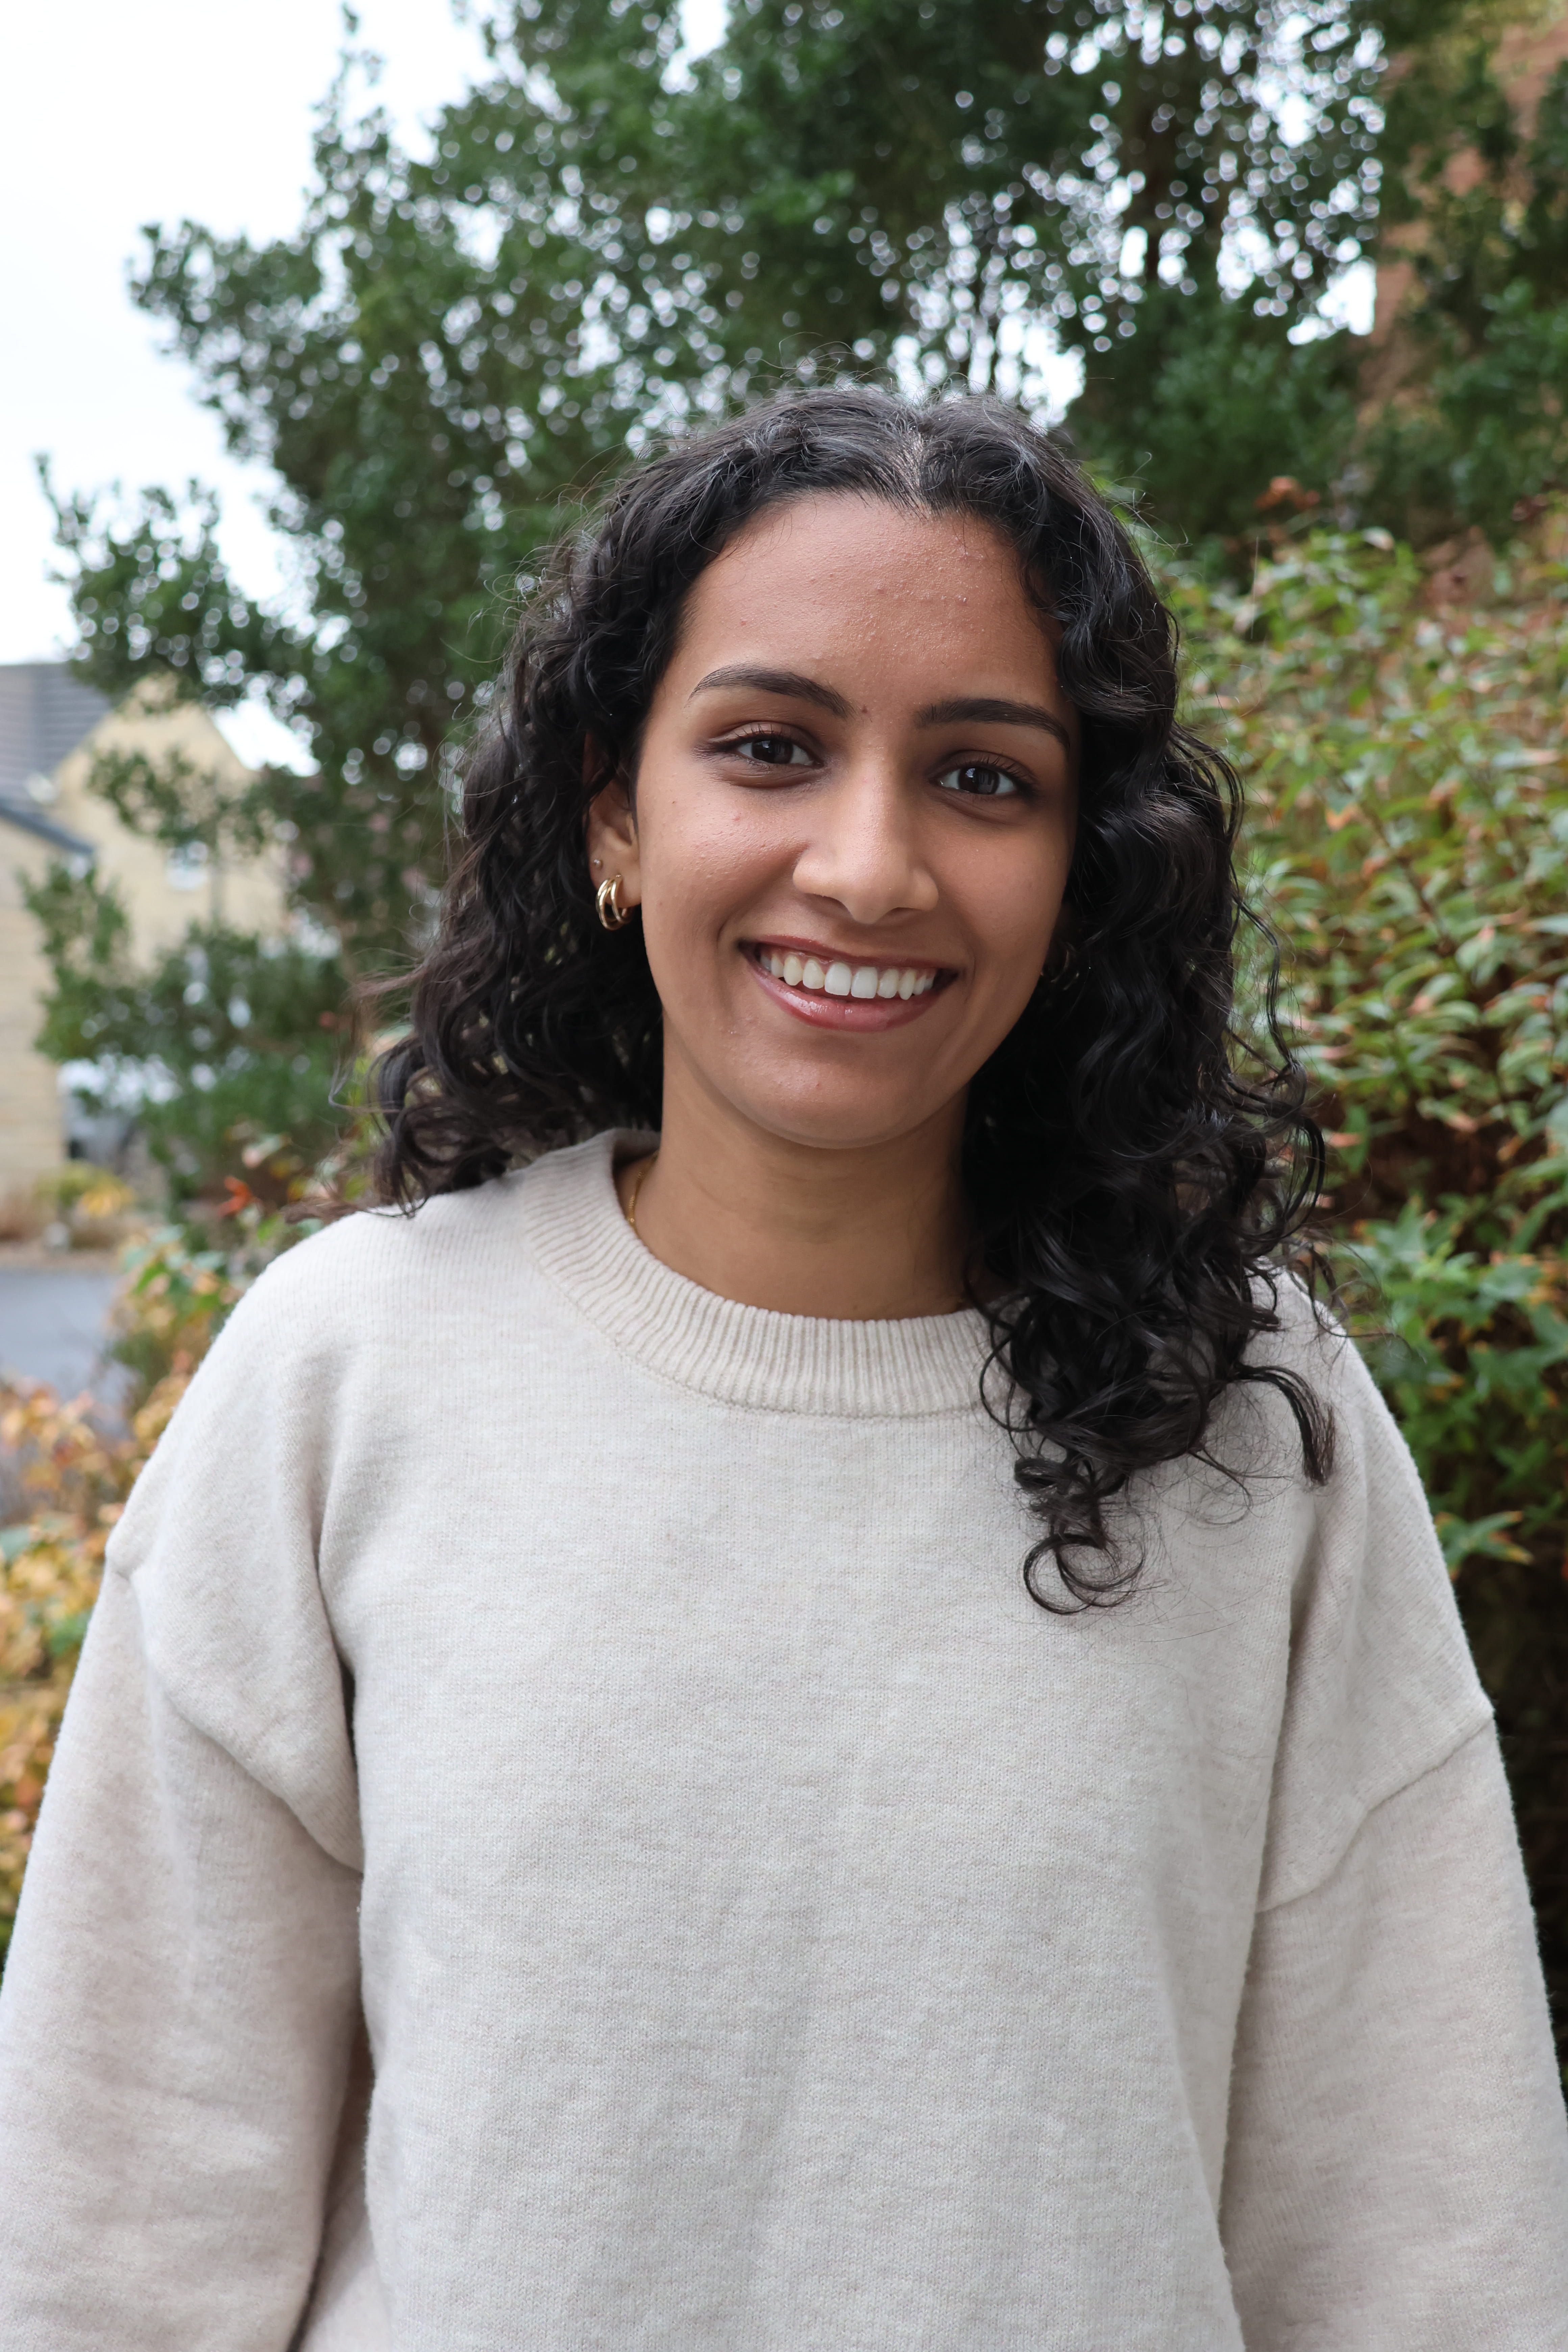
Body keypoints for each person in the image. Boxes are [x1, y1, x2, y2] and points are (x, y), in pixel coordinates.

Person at [0, 389, 1563, 2351]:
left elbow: (1426, 2235)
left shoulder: (1258, 1427)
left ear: (1085, 866)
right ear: (614, 812)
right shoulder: (344, 1376)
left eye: (984, 778)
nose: (868, 863)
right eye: (770, 748)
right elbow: (112, 2222)